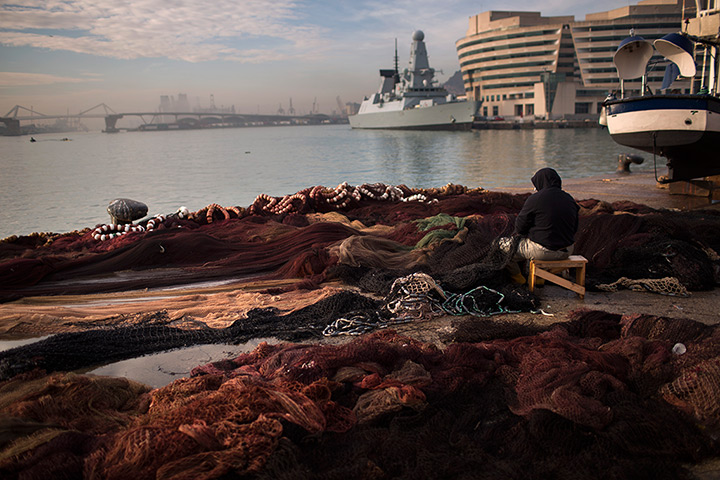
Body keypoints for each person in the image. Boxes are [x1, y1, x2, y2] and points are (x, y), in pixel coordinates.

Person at [502, 167, 579, 285]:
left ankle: (520, 280)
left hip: (545, 251)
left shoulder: (535, 199)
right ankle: (539, 278)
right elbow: (574, 228)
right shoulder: (569, 199)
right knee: (537, 240)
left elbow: (520, 228)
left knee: (500, 247)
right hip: (568, 250)